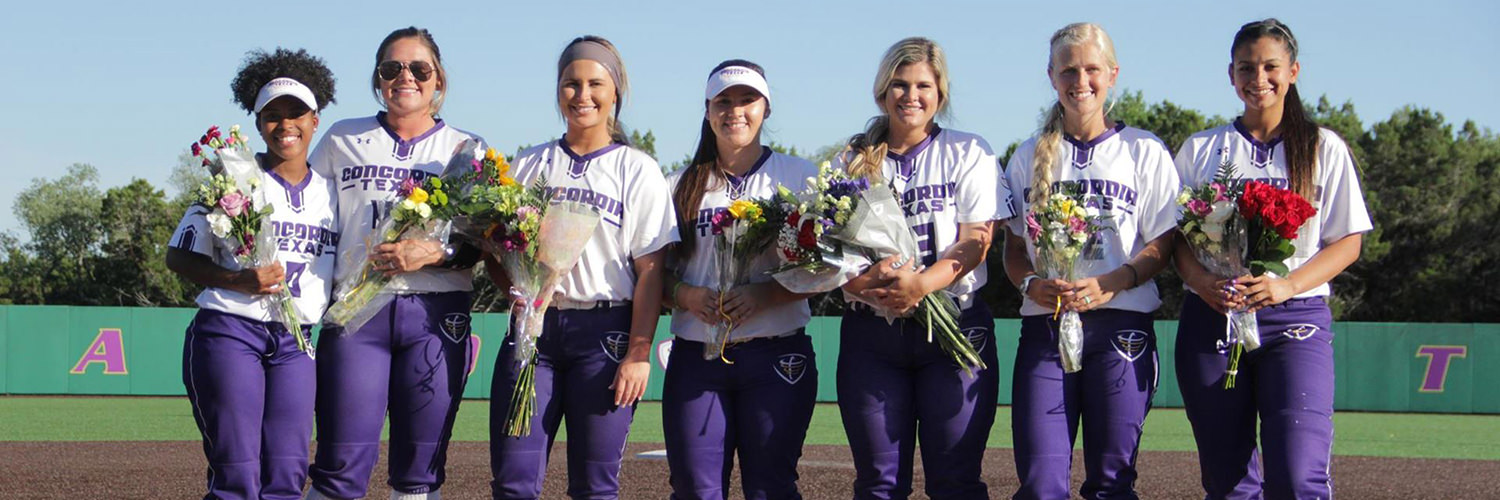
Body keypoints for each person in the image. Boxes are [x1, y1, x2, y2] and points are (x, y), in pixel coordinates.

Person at [1173, 18, 1372, 500]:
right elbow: (1172, 239)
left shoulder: (1324, 147)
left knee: (1297, 475)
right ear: (1231, 75)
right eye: (1246, 67)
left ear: (1294, 71)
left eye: (1270, 66)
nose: (1258, 78)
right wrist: (1202, 282)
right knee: (1229, 483)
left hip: (1295, 318)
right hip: (1213, 315)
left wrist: (1285, 285)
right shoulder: (1202, 149)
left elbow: (1348, 241)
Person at [487, 35, 678, 500]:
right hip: (532, 331)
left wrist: (637, 354)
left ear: (616, 92)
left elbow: (652, 272)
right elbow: (499, 253)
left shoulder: (637, 169)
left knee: (595, 486)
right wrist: (511, 281)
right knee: (513, 482)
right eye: (571, 84)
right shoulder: (531, 163)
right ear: (558, 90)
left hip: (605, 336)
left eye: (596, 83)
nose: (582, 95)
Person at [1001, 22, 1178, 500]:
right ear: (1052, 77)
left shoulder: (1144, 150)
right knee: (1040, 484)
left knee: (1112, 483)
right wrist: (1031, 284)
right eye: (1069, 70)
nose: (1081, 80)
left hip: (1122, 326)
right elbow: (1014, 250)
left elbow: (1165, 243)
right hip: (1046, 325)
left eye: (1092, 69)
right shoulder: (1025, 157)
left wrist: (1114, 281)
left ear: (1113, 74)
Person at [305, 27, 484, 500]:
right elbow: (309, 216)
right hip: (357, 313)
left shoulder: (466, 149)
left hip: (435, 312)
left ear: (438, 79)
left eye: (419, 69)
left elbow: (486, 242)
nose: (405, 77)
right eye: (392, 68)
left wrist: (437, 252)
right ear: (378, 78)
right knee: (339, 466)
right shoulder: (343, 138)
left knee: (419, 473)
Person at [834, 36, 1012, 499]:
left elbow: (978, 239)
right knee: (878, 485)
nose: (910, 95)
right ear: (881, 92)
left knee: (955, 481)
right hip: (873, 333)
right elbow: (830, 252)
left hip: (954, 323)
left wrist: (921, 285)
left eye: (922, 85)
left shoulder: (969, 150)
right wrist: (862, 282)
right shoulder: (849, 160)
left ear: (940, 94)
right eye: (899, 84)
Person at [166, 47, 338, 500]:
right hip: (230, 330)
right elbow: (178, 257)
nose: (285, 125)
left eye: (296, 113)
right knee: (238, 476)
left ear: (315, 120)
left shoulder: (333, 193)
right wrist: (238, 280)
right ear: (258, 121)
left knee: (286, 475)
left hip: (296, 341)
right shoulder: (234, 178)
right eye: (272, 115)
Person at [661, 59, 820, 500]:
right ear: (708, 111)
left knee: (771, 486)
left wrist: (770, 293)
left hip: (777, 354)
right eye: (723, 101)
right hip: (697, 356)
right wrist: (686, 294)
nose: (736, 111)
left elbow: (831, 268)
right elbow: (650, 274)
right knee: (695, 488)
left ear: (766, 108)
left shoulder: (800, 177)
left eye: (747, 99)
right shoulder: (678, 184)